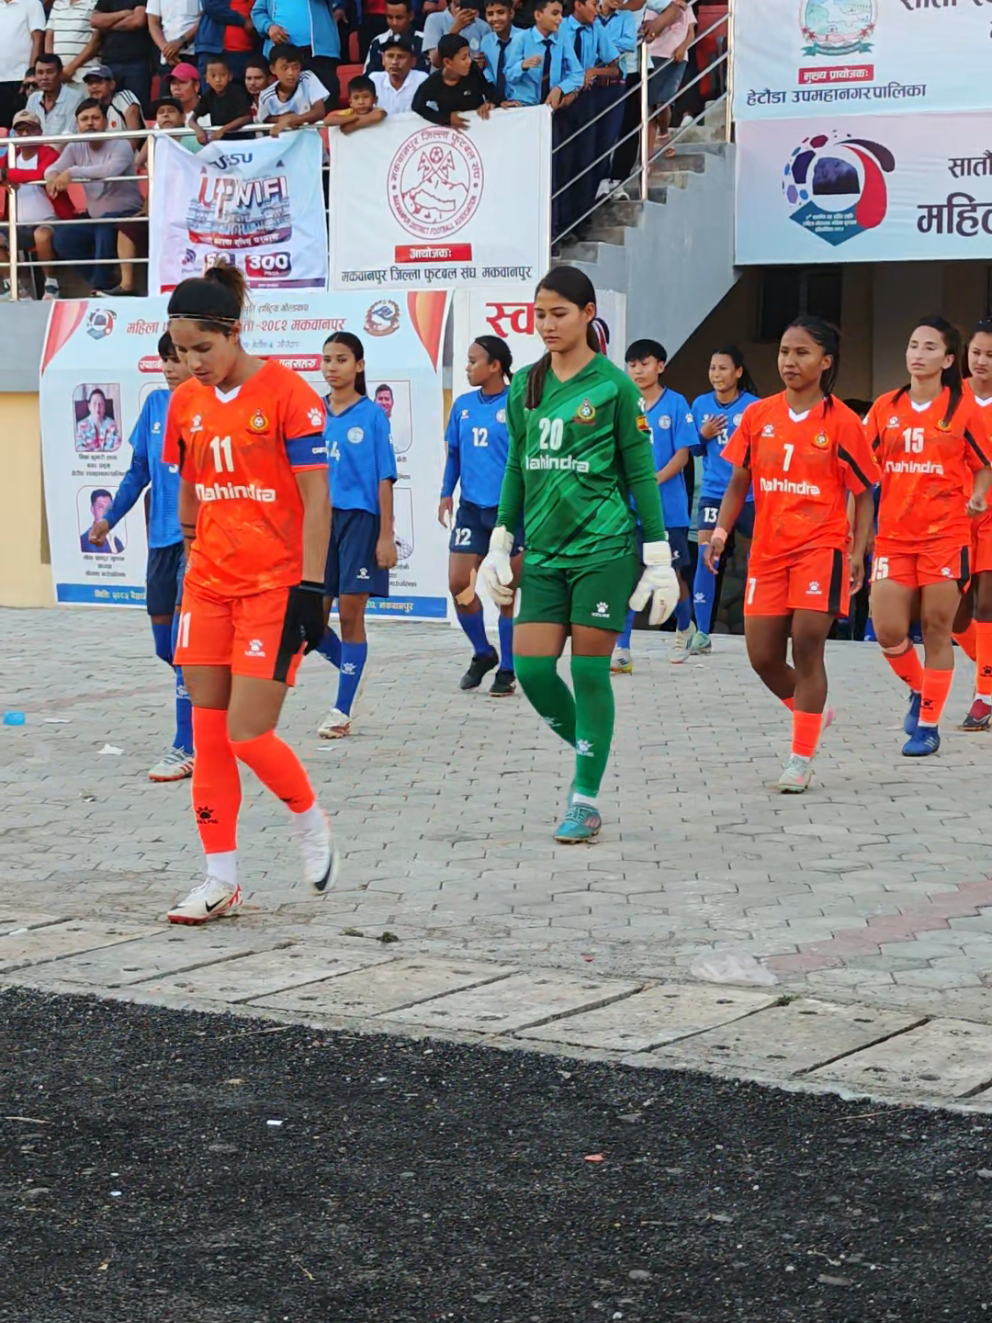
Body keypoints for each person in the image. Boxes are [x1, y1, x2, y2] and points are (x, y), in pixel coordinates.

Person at [162, 264, 337, 925]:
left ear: (233, 332)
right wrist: (190, 550)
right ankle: (220, 877)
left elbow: (316, 497)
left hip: (273, 589)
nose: (192, 363)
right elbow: (189, 485)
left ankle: (310, 818)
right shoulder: (185, 403)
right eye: (182, 351)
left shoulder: (288, 394)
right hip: (206, 587)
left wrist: (312, 588)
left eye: (203, 348)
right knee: (208, 737)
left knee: (247, 732)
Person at [479, 266, 679, 842]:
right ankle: (595, 746)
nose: (546, 324)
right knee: (536, 672)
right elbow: (518, 464)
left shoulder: (614, 387)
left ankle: (585, 796)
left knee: (590, 671)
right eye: (539, 313)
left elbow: (640, 471)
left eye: (559, 313)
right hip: (542, 554)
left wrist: (658, 555)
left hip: (603, 549)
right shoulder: (525, 385)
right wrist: (500, 539)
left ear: (589, 314)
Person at [703, 317, 878, 793]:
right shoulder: (759, 415)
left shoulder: (843, 422)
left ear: (825, 363)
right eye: (784, 351)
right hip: (768, 551)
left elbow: (864, 492)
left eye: (801, 353)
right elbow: (740, 480)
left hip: (821, 548)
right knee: (761, 656)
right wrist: (719, 531)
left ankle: (799, 758)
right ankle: (812, 709)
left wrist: (859, 551)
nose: (789, 361)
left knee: (806, 642)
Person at [867, 316, 992, 757]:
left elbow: (983, 467)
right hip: (894, 538)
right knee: (887, 630)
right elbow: (862, 471)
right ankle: (921, 689)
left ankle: (928, 725)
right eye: (912, 345)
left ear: (948, 359)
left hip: (945, 537)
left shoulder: (965, 410)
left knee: (937, 629)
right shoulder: (885, 407)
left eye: (929, 347)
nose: (917, 354)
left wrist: (978, 496)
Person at [87, 333, 196, 783]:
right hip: (161, 543)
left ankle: (186, 745)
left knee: (186, 650)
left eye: (177, 359)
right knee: (165, 646)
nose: (170, 368)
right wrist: (109, 517)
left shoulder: (212, 406)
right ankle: (212, 697)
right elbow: (138, 471)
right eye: (164, 360)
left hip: (199, 544)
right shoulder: (154, 406)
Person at [312, 331, 397, 740]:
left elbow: (384, 478)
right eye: (327, 359)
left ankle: (341, 709)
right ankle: (352, 664)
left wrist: (386, 535)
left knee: (349, 614)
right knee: (310, 620)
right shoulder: (312, 413)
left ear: (358, 366)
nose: (332, 367)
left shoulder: (372, 416)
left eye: (341, 359)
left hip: (359, 522)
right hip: (318, 523)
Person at [439, 334, 519, 696]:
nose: (468, 367)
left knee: (504, 592)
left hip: (508, 512)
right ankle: (483, 652)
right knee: (459, 584)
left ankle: (508, 668)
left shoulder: (518, 405)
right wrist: (445, 493)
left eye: (473, 361)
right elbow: (454, 453)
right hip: (471, 508)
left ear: (495, 366)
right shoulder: (463, 406)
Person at [614, 337, 698, 671]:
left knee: (670, 577)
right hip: (627, 510)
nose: (637, 370)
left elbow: (684, 454)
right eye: (632, 364)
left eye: (644, 363)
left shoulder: (676, 404)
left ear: (660, 366)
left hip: (668, 509)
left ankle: (684, 628)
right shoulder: (622, 403)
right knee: (626, 577)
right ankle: (622, 647)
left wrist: (653, 481)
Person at [689, 344, 761, 655]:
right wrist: (701, 434)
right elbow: (693, 450)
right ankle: (702, 632)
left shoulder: (755, 407)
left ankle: (766, 629)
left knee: (763, 559)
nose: (716, 374)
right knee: (707, 557)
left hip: (751, 496)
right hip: (713, 494)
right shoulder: (701, 404)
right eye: (712, 368)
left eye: (723, 368)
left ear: (738, 372)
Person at [45, 98, 143, 296]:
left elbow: (110, 170)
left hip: (127, 213)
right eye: (84, 119)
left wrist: (72, 172)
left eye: (95, 118)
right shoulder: (75, 146)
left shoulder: (120, 143)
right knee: (63, 238)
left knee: (104, 229)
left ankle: (97, 289)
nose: (90, 123)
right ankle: (104, 282)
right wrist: (52, 178)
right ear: (77, 124)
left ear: (105, 122)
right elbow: (52, 168)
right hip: (95, 215)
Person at [504, 0, 580, 236]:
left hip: (551, 113)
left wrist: (560, 89)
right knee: (526, 173)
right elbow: (508, 74)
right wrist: (523, 66)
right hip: (525, 113)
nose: (560, 19)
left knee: (553, 171)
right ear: (538, 15)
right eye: (555, 13)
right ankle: (524, 231)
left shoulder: (562, 39)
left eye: (560, 14)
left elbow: (577, 73)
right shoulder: (521, 40)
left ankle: (553, 231)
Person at [954, 319, 992, 730]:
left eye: (991, 356)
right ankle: (989, 667)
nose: (981, 361)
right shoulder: (952, 397)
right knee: (955, 616)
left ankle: (984, 697)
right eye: (976, 352)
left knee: (987, 604)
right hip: (954, 518)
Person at [0, 107, 75, 301]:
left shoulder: (48, 152)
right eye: (21, 130)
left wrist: (9, 175)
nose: (25, 134)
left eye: (30, 129)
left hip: (51, 222)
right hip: (17, 225)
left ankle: (51, 286)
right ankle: (14, 288)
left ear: (39, 131)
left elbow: (43, 172)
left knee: (41, 235)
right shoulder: (10, 155)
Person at [560, 0, 618, 231]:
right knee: (563, 160)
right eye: (594, 4)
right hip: (562, 98)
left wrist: (594, 70)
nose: (597, 9)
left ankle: (581, 220)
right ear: (578, 4)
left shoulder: (597, 30)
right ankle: (560, 222)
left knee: (586, 159)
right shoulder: (560, 26)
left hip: (586, 100)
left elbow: (616, 68)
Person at [250, 0, 342, 105]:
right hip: (282, 54)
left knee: (327, 100)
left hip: (318, 52)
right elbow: (257, 12)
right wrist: (269, 27)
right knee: (284, 104)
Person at [595, 0, 636, 199]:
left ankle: (610, 180)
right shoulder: (590, 13)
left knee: (614, 130)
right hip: (590, 81)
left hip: (616, 79)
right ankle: (597, 179)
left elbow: (630, 43)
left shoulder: (626, 16)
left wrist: (601, 43)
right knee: (595, 132)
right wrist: (610, 44)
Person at [644, 0, 693, 161]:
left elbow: (691, 31)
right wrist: (670, 13)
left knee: (663, 102)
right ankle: (648, 158)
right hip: (654, 56)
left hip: (676, 59)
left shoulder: (687, 6)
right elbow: (650, 31)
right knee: (650, 108)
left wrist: (683, 47)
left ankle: (664, 133)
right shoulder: (654, 4)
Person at [411, 31, 494, 126]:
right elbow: (417, 106)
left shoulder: (473, 71)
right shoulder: (433, 83)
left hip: (479, 125)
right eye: (463, 58)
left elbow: (489, 90)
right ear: (447, 62)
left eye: (468, 56)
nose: (469, 61)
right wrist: (445, 118)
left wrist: (490, 103)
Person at [90, 0, 154, 110]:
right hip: (109, 62)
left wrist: (108, 25)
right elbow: (95, 20)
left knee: (137, 108)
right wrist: (123, 14)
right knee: (108, 108)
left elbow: (137, 21)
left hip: (136, 62)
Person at [258, 42, 328, 132]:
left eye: (295, 67)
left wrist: (294, 119)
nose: (291, 73)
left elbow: (319, 111)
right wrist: (282, 119)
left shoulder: (307, 78)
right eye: (284, 68)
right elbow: (265, 119)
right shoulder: (266, 96)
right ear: (273, 69)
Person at [0, 0, 45, 131]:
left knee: (22, 128)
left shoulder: (32, 3)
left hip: (21, 80)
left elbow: (38, 39)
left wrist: (31, 74)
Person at [191, 53, 254, 140]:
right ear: (206, 79)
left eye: (222, 75)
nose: (218, 80)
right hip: (221, 141)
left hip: (242, 139)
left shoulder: (237, 92)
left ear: (230, 76)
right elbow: (191, 120)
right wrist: (198, 131)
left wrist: (223, 130)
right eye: (213, 76)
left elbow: (246, 117)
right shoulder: (208, 96)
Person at [45, 0, 103, 89]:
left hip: (85, 77)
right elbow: (49, 36)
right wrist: (53, 67)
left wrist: (70, 68)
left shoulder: (95, 2)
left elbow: (96, 41)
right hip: (58, 78)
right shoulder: (58, 3)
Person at [198, 0, 259, 83]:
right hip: (216, 51)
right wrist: (243, 21)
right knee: (213, 93)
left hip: (247, 53)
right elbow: (212, 5)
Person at [26, 52, 84, 134]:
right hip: (37, 146)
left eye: (49, 72)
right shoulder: (33, 99)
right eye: (40, 72)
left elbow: (70, 135)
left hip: (65, 146)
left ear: (60, 73)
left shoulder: (75, 98)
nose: (44, 77)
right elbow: (27, 131)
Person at [422, 0, 490, 68]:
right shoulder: (434, 19)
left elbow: (490, 64)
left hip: (474, 77)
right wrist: (455, 29)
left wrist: (483, 63)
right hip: (443, 77)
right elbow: (435, 61)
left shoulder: (483, 27)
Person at [369, 35, 426, 113]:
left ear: (413, 61)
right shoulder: (374, 80)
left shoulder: (422, 80)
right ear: (383, 59)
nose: (394, 62)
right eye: (390, 56)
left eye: (401, 57)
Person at [364, 0, 425, 72]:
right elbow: (368, 77)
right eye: (390, 17)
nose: (394, 23)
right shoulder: (377, 42)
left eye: (399, 17)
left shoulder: (424, 41)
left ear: (411, 16)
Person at [147, 0, 201, 80]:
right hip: (168, 59)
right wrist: (166, 50)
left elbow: (204, 20)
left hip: (194, 54)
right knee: (167, 91)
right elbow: (153, 24)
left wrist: (181, 41)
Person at [81, 63, 144, 131]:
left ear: (112, 84)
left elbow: (134, 137)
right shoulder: (89, 107)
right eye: (90, 83)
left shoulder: (122, 98)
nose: (94, 87)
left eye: (99, 82)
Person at [480, 0, 520, 103]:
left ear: (511, 13)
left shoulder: (525, 38)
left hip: (521, 101)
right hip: (497, 102)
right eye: (490, 14)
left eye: (501, 12)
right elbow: (488, 73)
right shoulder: (486, 41)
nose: (495, 18)